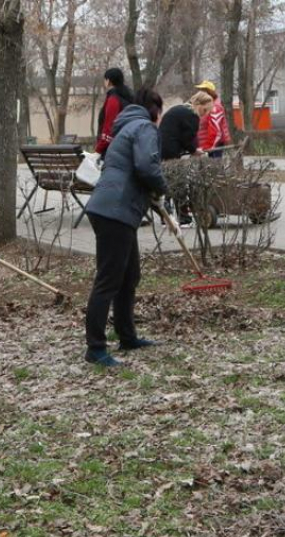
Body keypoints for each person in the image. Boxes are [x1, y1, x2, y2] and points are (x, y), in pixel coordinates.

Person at [83, 88, 178, 367]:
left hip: (111, 208)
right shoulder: (144, 128)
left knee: (129, 275)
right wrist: (162, 190)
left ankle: (127, 336)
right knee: (109, 279)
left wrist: (151, 194)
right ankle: (95, 348)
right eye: (160, 113)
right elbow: (147, 167)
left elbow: (130, 169)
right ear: (154, 110)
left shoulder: (125, 128)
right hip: (116, 210)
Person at [159, 91, 215, 225]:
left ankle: (165, 215)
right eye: (205, 109)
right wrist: (195, 150)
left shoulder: (181, 109)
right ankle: (183, 217)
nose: (205, 113)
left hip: (163, 148)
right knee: (179, 182)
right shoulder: (192, 115)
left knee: (169, 180)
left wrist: (194, 148)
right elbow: (188, 138)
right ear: (198, 104)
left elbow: (187, 136)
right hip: (171, 150)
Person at [94, 67, 134, 159]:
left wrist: (98, 150)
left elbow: (109, 127)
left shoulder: (113, 99)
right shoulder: (127, 97)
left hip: (113, 150)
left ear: (108, 81)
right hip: (126, 146)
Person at [194, 80, 231, 157]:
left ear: (209, 93)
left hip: (213, 144)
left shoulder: (215, 108)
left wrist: (208, 147)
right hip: (206, 144)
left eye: (203, 91)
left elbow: (216, 131)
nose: (200, 93)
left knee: (214, 166)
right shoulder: (205, 106)